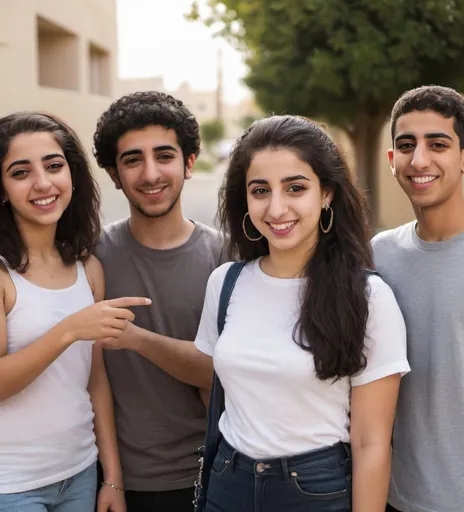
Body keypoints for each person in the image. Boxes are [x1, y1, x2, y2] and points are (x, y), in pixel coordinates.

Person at [193, 115, 410, 512]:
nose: (276, 208)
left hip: (316, 491)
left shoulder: (368, 297)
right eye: (260, 190)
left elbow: (372, 442)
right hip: (228, 484)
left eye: (295, 187)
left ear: (326, 193)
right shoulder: (225, 283)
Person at [372, 85, 464, 512]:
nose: (420, 160)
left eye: (438, 144)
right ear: (392, 159)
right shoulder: (379, 255)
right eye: (406, 145)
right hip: (401, 498)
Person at [0, 112, 149, 511]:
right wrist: (68, 330)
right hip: (11, 485)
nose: (43, 183)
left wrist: (112, 479)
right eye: (20, 172)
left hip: (80, 474)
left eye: (53, 166)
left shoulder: (89, 269)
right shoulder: (2, 275)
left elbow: (95, 381)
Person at [93, 91, 227, 512]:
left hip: (209, 476)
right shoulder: (92, 257)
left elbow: (222, 371)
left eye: (164, 156)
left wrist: (135, 338)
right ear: (115, 174)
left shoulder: (226, 259)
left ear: (189, 163)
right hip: (112, 480)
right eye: (132, 160)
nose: (150, 173)